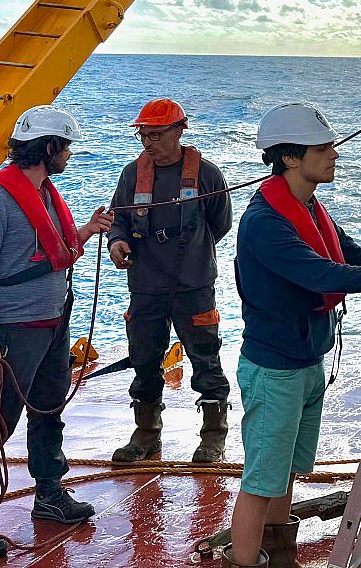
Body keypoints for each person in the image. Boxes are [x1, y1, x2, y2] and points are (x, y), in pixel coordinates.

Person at [221, 103, 361, 567]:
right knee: (260, 480)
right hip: (276, 369)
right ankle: (244, 560)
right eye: (323, 147)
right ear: (290, 158)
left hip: (306, 358)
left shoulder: (305, 205)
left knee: (284, 473)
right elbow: (320, 273)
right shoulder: (265, 223)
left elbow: (345, 248)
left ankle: (280, 554)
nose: (334, 154)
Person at [0, 105, 114, 560]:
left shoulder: (45, 196)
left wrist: (87, 230)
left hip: (53, 321)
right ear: (48, 148)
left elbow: (51, 252)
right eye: (65, 147)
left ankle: (49, 493)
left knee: (48, 408)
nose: (68, 156)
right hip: (14, 330)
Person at [105, 98, 234, 464]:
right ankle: (146, 433)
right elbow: (120, 219)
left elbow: (219, 224)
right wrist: (117, 242)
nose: (149, 142)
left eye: (157, 135)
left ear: (179, 131)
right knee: (144, 358)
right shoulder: (132, 174)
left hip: (193, 286)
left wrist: (190, 252)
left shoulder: (207, 175)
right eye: (144, 136)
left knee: (205, 358)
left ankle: (213, 437)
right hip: (145, 285)